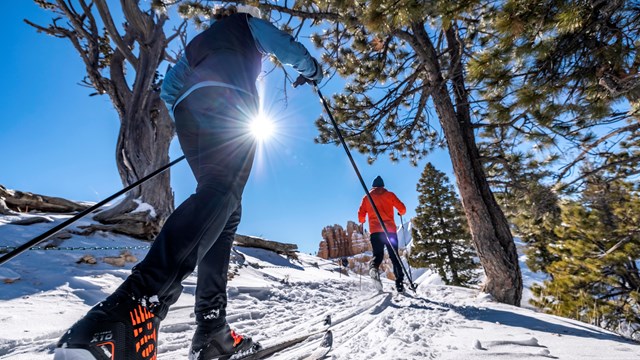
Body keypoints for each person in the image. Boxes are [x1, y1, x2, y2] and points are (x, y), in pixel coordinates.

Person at [54, 5, 322, 360]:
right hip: (230, 106)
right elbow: (283, 44)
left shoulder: (200, 41)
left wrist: (191, 109)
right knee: (222, 194)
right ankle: (132, 309)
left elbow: (170, 88)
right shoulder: (246, 25)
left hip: (189, 114)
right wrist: (312, 69)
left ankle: (212, 329)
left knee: (223, 210)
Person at [358, 175, 407, 293]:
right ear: (383, 186)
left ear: (373, 186)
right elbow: (403, 209)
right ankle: (399, 284)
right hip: (389, 232)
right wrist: (400, 213)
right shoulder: (390, 195)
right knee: (395, 257)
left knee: (378, 255)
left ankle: (373, 268)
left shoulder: (367, 197)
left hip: (375, 232)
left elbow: (360, 217)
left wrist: (363, 220)